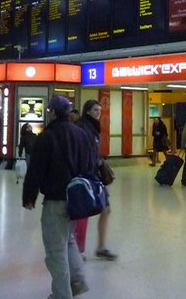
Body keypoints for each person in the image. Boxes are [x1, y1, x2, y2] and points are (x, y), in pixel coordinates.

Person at [23, 95, 97, 299]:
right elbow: (89, 165)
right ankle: (78, 280)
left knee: (56, 251)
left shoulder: (47, 136)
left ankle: (62, 295)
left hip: (55, 200)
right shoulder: (80, 134)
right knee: (69, 241)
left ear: (54, 113)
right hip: (76, 200)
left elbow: (36, 170)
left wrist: (29, 196)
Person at [76, 99, 117, 261]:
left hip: (94, 175)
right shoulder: (83, 128)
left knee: (106, 210)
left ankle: (101, 247)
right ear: (87, 111)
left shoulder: (93, 128)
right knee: (81, 213)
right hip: (86, 175)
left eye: (100, 111)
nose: (98, 113)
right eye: (95, 110)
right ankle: (77, 250)